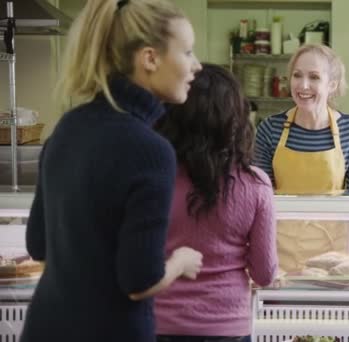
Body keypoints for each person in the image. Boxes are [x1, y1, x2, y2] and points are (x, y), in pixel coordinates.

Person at [22, 1, 203, 341]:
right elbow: (140, 282)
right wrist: (180, 261)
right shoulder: (151, 151)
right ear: (149, 58)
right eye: (188, 52)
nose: (196, 66)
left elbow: (38, 244)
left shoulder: (66, 127)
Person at [154, 64, 278, 342]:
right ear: (234, 118)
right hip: (227, 327)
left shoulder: (154, 177)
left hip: (159, 323)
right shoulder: (255, 183)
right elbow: (264, 273)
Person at [253, 43, 349, 272]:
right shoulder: (270, 129)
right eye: (297, 75)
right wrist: (266, 263)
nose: (303, 85)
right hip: (279, 253)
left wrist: (347, 263)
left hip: (334, 255)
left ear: (332, 84)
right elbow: (260, 203)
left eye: (314, 77)